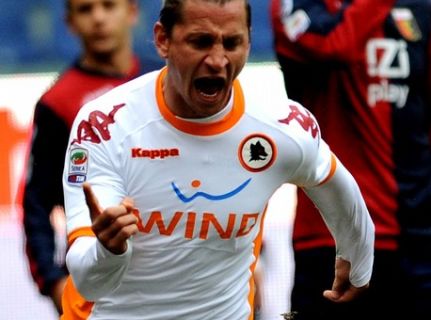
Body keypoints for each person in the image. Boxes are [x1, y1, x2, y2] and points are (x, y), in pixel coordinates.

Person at [61, 0, 375, 319]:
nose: (217, 60)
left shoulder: (283, 126)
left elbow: (339, 188)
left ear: (249, 42)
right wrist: (108, 251)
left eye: (233, 42)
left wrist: (357, 259)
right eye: (200, 41)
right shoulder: (105, 125)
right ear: (162, 40)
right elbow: (88, 284)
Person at [270, 0, 431, 319]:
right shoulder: (297, 5)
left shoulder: (420, 11)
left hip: (423, 243)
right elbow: (329, 45)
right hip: (333, 242)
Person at [22, 0, 162, 316]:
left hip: (172, 273)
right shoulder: (57, 102)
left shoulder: (167, 83)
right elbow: (36, 205)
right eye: (85, 9)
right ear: (70, 22)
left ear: (132, 12)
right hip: (99, 284)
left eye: (108, 5)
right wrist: (54, 283)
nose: (98, 18)